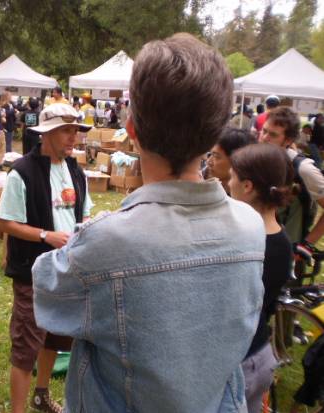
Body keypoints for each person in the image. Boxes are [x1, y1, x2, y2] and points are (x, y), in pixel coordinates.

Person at [32, 33, 266, 413]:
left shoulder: (107, 243)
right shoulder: (251, 228)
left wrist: (91, 234)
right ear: (214, 135)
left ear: (132, 130)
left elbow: (47, 293)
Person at [0, 103, 93, 413]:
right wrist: (45, 236)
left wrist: (85, 228)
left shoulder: (76, 171)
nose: (74, 137)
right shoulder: (22, 172)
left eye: (76, 130)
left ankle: (41, 395)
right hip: (33, 273)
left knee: (56, 337)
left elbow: (84, 213)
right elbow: (7, 222)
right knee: (26, 346)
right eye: (66, 130)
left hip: (67, 270)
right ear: (47, 133)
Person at [229, 143, 293, 413]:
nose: (228, 183)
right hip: (260, 354)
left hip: (239, 364)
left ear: (247, 186)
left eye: (232, 177)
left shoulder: (246, 244)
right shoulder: (282, 240)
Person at [260, 107, 324, 256]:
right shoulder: (258, 159)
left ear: (288, 140)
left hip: (287, 253)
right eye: (264, 131)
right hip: (256, 248)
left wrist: (306, 246)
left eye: (273, 135)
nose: (264, 138)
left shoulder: (303, 169)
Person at [206, 127, 256, 193]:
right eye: (210, 154)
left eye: (216, 156)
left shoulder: (245, 195)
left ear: (236, 161)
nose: (209, 161)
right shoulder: (199, 179)